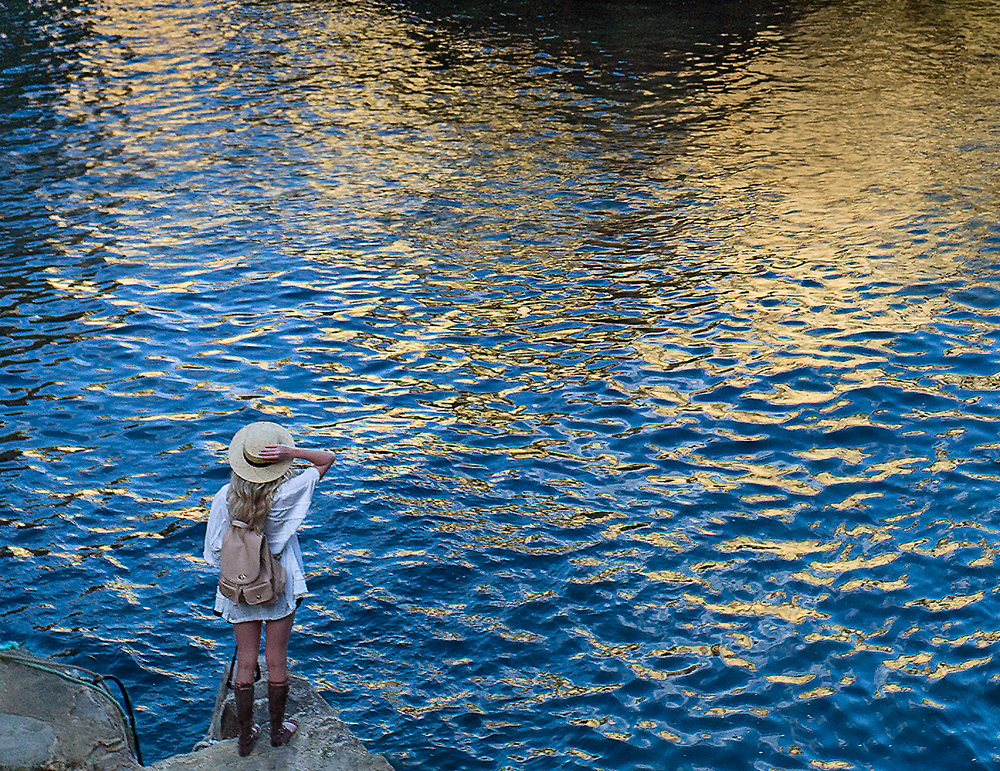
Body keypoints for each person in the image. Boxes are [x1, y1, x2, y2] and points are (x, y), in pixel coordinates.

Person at [203, 421, 333, 756]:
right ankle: (277, 731)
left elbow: (212, 552)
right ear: (277, 463)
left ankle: (245, 737)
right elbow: (326, 458)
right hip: (278, 584)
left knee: (245, 659)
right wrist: (292, 452)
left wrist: (241, 562)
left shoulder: (224, 496)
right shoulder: (288, 491)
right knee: (276, 658)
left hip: (240, 587)